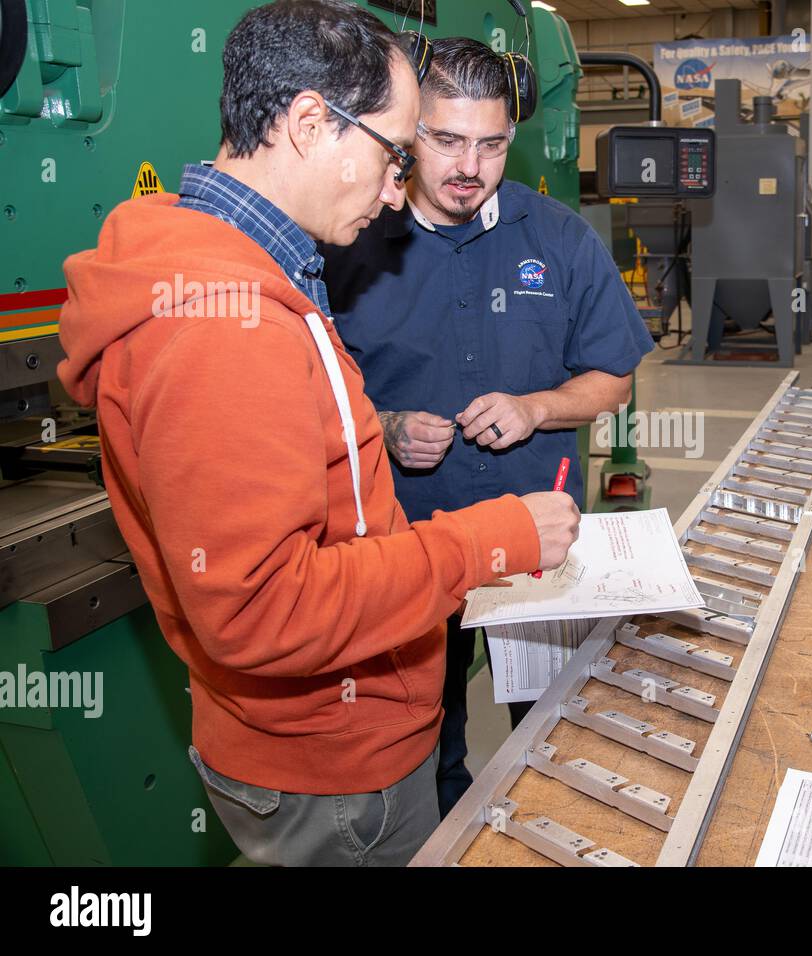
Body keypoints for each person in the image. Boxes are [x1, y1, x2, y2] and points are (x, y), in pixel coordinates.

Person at [55, 0, 578, 867]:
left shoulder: (248, 275)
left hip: (328, 737)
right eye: (392, 155)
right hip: (335, 773)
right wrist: (490, 540)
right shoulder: (227, 325)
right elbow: (266, 609)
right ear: (307, 123)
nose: (393, 188)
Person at [324, 36, 653, 817]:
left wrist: (538, 407)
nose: (468, 166)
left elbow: (616, 379)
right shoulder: (351, 239)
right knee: (419, 741)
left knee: (551, 734)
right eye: (444, 141)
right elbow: (306, 396)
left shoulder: (560, 239)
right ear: (408, 134)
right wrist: (388, 423)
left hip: (531, 549)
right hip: (402, 551)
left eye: (491, 144)